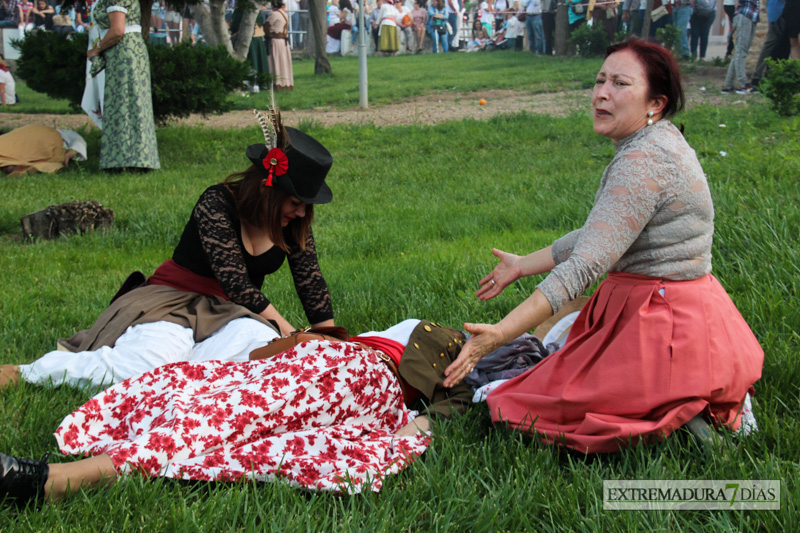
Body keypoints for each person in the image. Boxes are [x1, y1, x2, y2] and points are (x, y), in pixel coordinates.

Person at [443, 39, 764, 454]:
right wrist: (522, 265)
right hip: (693, 318)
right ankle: (685, 399)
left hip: (659, 325)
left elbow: (585, 265)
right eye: (599, 80)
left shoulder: (642, 162)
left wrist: (499, 335)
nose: (601, 93)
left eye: (620, 83)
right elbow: (604, 234)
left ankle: (681, 410)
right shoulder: (659, 142)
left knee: (525, 399)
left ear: (656, 103)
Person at [0, 120, 336, 392]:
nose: (302, 211)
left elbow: (311, 283)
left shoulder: (295, 221)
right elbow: (235, 283)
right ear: (270, 188)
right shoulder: (217, 202)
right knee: (137, 373)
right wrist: (294, 336)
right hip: (173, 303)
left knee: (264, 365)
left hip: (231, 314)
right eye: (295, 202)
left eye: (307, 204)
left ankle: (185, 376)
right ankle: (27, 373)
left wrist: (331, 344)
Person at [0, 320, 474, 502]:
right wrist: (305, 342)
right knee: (201, 400)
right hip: (317, 362)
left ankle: (59, 479)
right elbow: (265, 355)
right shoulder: (366, 334)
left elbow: (442, 410)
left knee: (223, 422)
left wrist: (408, 432)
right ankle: (72, 471)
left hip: (361, 383)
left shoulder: (463, 351)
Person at [87, 0, 160, 171]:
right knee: (129, 105)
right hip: (125, 52)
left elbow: (117, 30)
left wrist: (97, 49)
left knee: (124, 105)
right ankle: (132, 159)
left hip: (124, 53)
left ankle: (127, 160)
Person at [0, 125, 86, 175]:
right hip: (38, 135)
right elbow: (79, 142)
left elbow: (80, 143)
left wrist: (67, 155)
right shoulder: (65, 134)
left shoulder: (56, 153)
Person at [721, 0, 760, 94]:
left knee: (740, 52)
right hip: (744, 15)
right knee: (740, 52)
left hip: (752, 15)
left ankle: (728, 85)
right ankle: (743, 84)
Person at [750, 0, 790, 88]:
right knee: (770, 45)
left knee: (782, 47)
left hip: (780, 13)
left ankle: (772, 74)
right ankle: (758, 76)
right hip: (778, 15)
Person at [267, 0, 294, 91]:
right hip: (284, 42)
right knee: (284, 63)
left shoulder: (273, 14)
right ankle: (286, 83)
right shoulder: (284, 13)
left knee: (276, 62)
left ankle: (277, 84)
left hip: (276, 41)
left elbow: (267, 27)